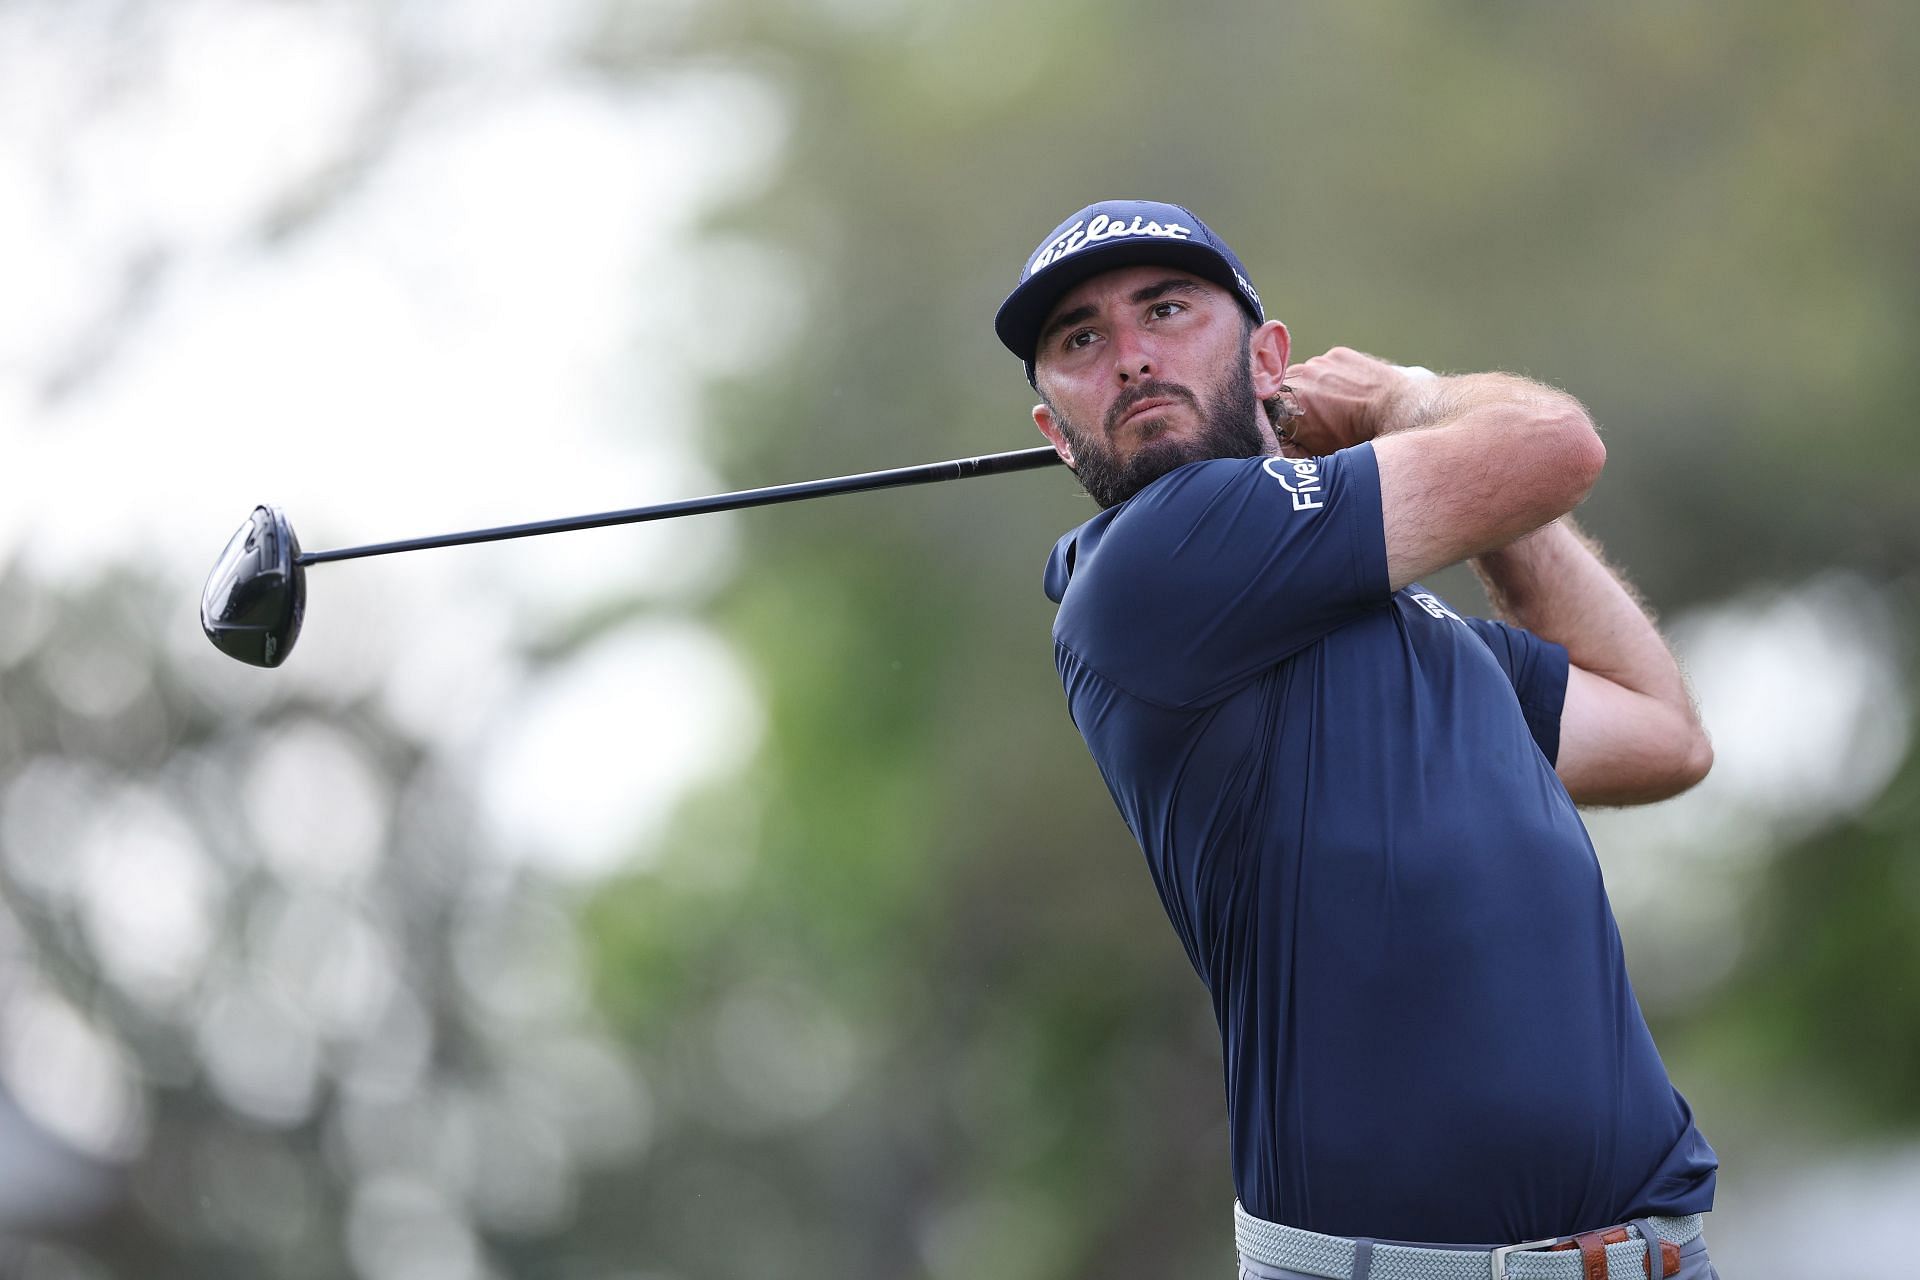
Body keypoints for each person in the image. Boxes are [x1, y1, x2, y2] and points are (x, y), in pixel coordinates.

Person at [994, 200, 1722, 1280]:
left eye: (1167, 309)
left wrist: (1456, 486)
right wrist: (1402, 399)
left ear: (1268, 358)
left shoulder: (1407, 624)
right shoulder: (1153, 563)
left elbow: (1663, 734)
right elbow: (1555, 444)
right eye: (1082, 340)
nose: (1134, 357)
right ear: (1058, 431)